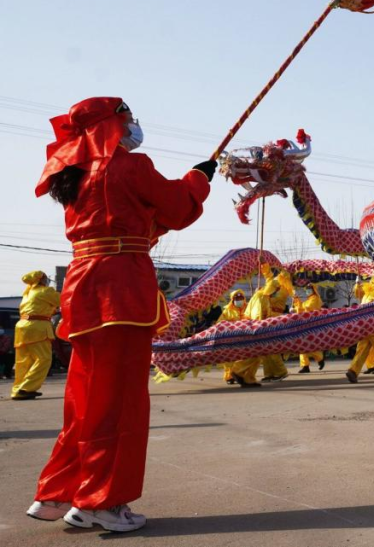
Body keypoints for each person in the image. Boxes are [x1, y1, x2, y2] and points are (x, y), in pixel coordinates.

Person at [28, 97, 213, 532]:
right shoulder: (129, 166)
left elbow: (135, 222)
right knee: (122, 402)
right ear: (110, 128)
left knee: (85, 399)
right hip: (120, 291)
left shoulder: (72, 175)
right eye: (127, 121)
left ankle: (59, 493)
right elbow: (177, 207)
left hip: (83, 287)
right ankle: (102, 502)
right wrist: (198, 178)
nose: (133, 128)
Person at [231, 267, 292, 384]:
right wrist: (264, 264)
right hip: (261, 326)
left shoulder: (281, 292)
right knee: (264, 353)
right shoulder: (263, 296)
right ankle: (263, 374)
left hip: (267, 325)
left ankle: (249, 376)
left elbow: (271, 281)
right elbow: (258, 314)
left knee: (268, 352)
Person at [10, 271, 61, 400]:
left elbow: (38, 307)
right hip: (37, 328)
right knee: (44, 359)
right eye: (45, 278)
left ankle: (17, 390)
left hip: (22, 327)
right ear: (41, 280)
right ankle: (27, 388)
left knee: (24, 362)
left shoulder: (27, 293)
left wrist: (51, 310)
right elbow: (63, 300)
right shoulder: (45, 291)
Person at [216, 290, 247, 385]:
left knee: (244, 358)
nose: (239, 300)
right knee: (229, 359)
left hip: (245, 338)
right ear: (232, 300)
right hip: (231, 338)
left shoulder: (249, 308)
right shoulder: (227, 311)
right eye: (237, 299)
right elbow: (220, 324)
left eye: (241, 298)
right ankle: (229, 376)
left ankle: (241, 375)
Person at [294, 286, 325, 373]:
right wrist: (296, 299)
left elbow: (309, 308)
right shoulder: (308, 300)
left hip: (312, 325)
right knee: (302, 345)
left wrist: (299, 307)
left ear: (313, 290)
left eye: (309, 289)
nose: (307, 291)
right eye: (306, 290)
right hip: (305, 324)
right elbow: (301, 309)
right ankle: (305, 366)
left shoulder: (315, 299)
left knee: (311, 345)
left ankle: (320, 360)